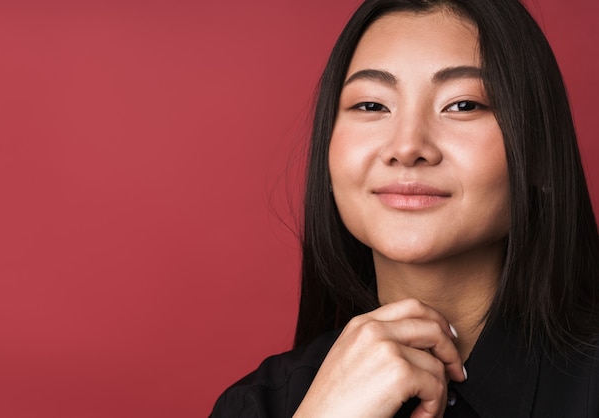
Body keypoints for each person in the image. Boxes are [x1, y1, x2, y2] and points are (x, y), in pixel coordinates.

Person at [211, 0, 599, 416]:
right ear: (327, 156)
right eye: (372, 106)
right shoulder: (260, 404)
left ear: (540, 155)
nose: (408, 147)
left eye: (463, 104)